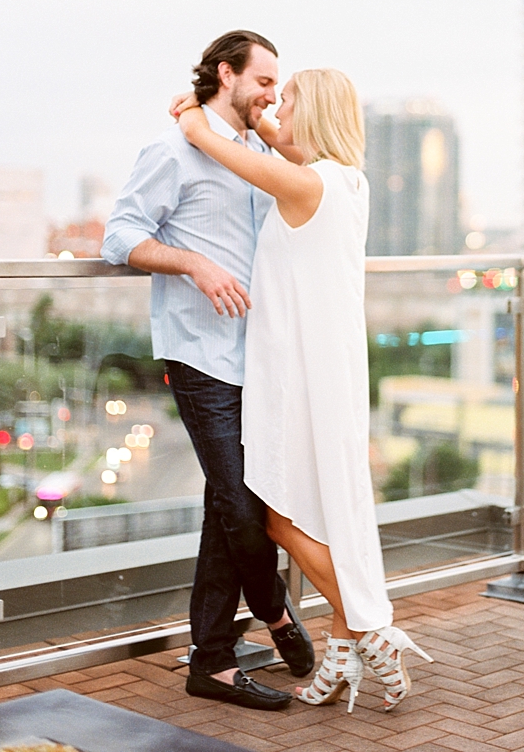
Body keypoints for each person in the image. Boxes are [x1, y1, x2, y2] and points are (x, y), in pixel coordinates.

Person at [173, 67, 433, 714]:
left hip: (299, 376)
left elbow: (231, 152)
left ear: (310, 112)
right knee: (330, 514)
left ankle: (368, 628)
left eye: (285, 99)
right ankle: (343, 654)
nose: (275, 109)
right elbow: (277, 143)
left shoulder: (307, 183)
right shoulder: (344, 180)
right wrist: (260, 110)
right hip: (325, 370)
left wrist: (193, 121)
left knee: (280, 513)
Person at [101, 30, 314, 713]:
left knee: (229, 504)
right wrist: (194, 261)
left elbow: (310, 162)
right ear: (226, 72)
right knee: (240, 504)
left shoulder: (252, 152)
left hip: (258, 356)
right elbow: (118, 236)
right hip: (198, 352)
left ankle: (212, 660)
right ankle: (273, 613)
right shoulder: (171, 151)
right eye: (263, 80)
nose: (271, 94)